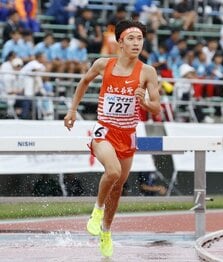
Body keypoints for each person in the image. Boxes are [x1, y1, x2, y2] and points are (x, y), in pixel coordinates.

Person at [63, 20, 161, 258]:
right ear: (120, 42)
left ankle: (106, 231)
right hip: (104, 130)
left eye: (139, 38)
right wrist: (72, 110)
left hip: (127, 135)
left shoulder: (147, 72)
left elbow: (156, 108)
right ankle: (97, 210)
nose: (136, 43)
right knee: (114, 171)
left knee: (117, 189)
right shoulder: (103, 64)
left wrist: (144, 101)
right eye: (131, 38)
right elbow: (83, 82)